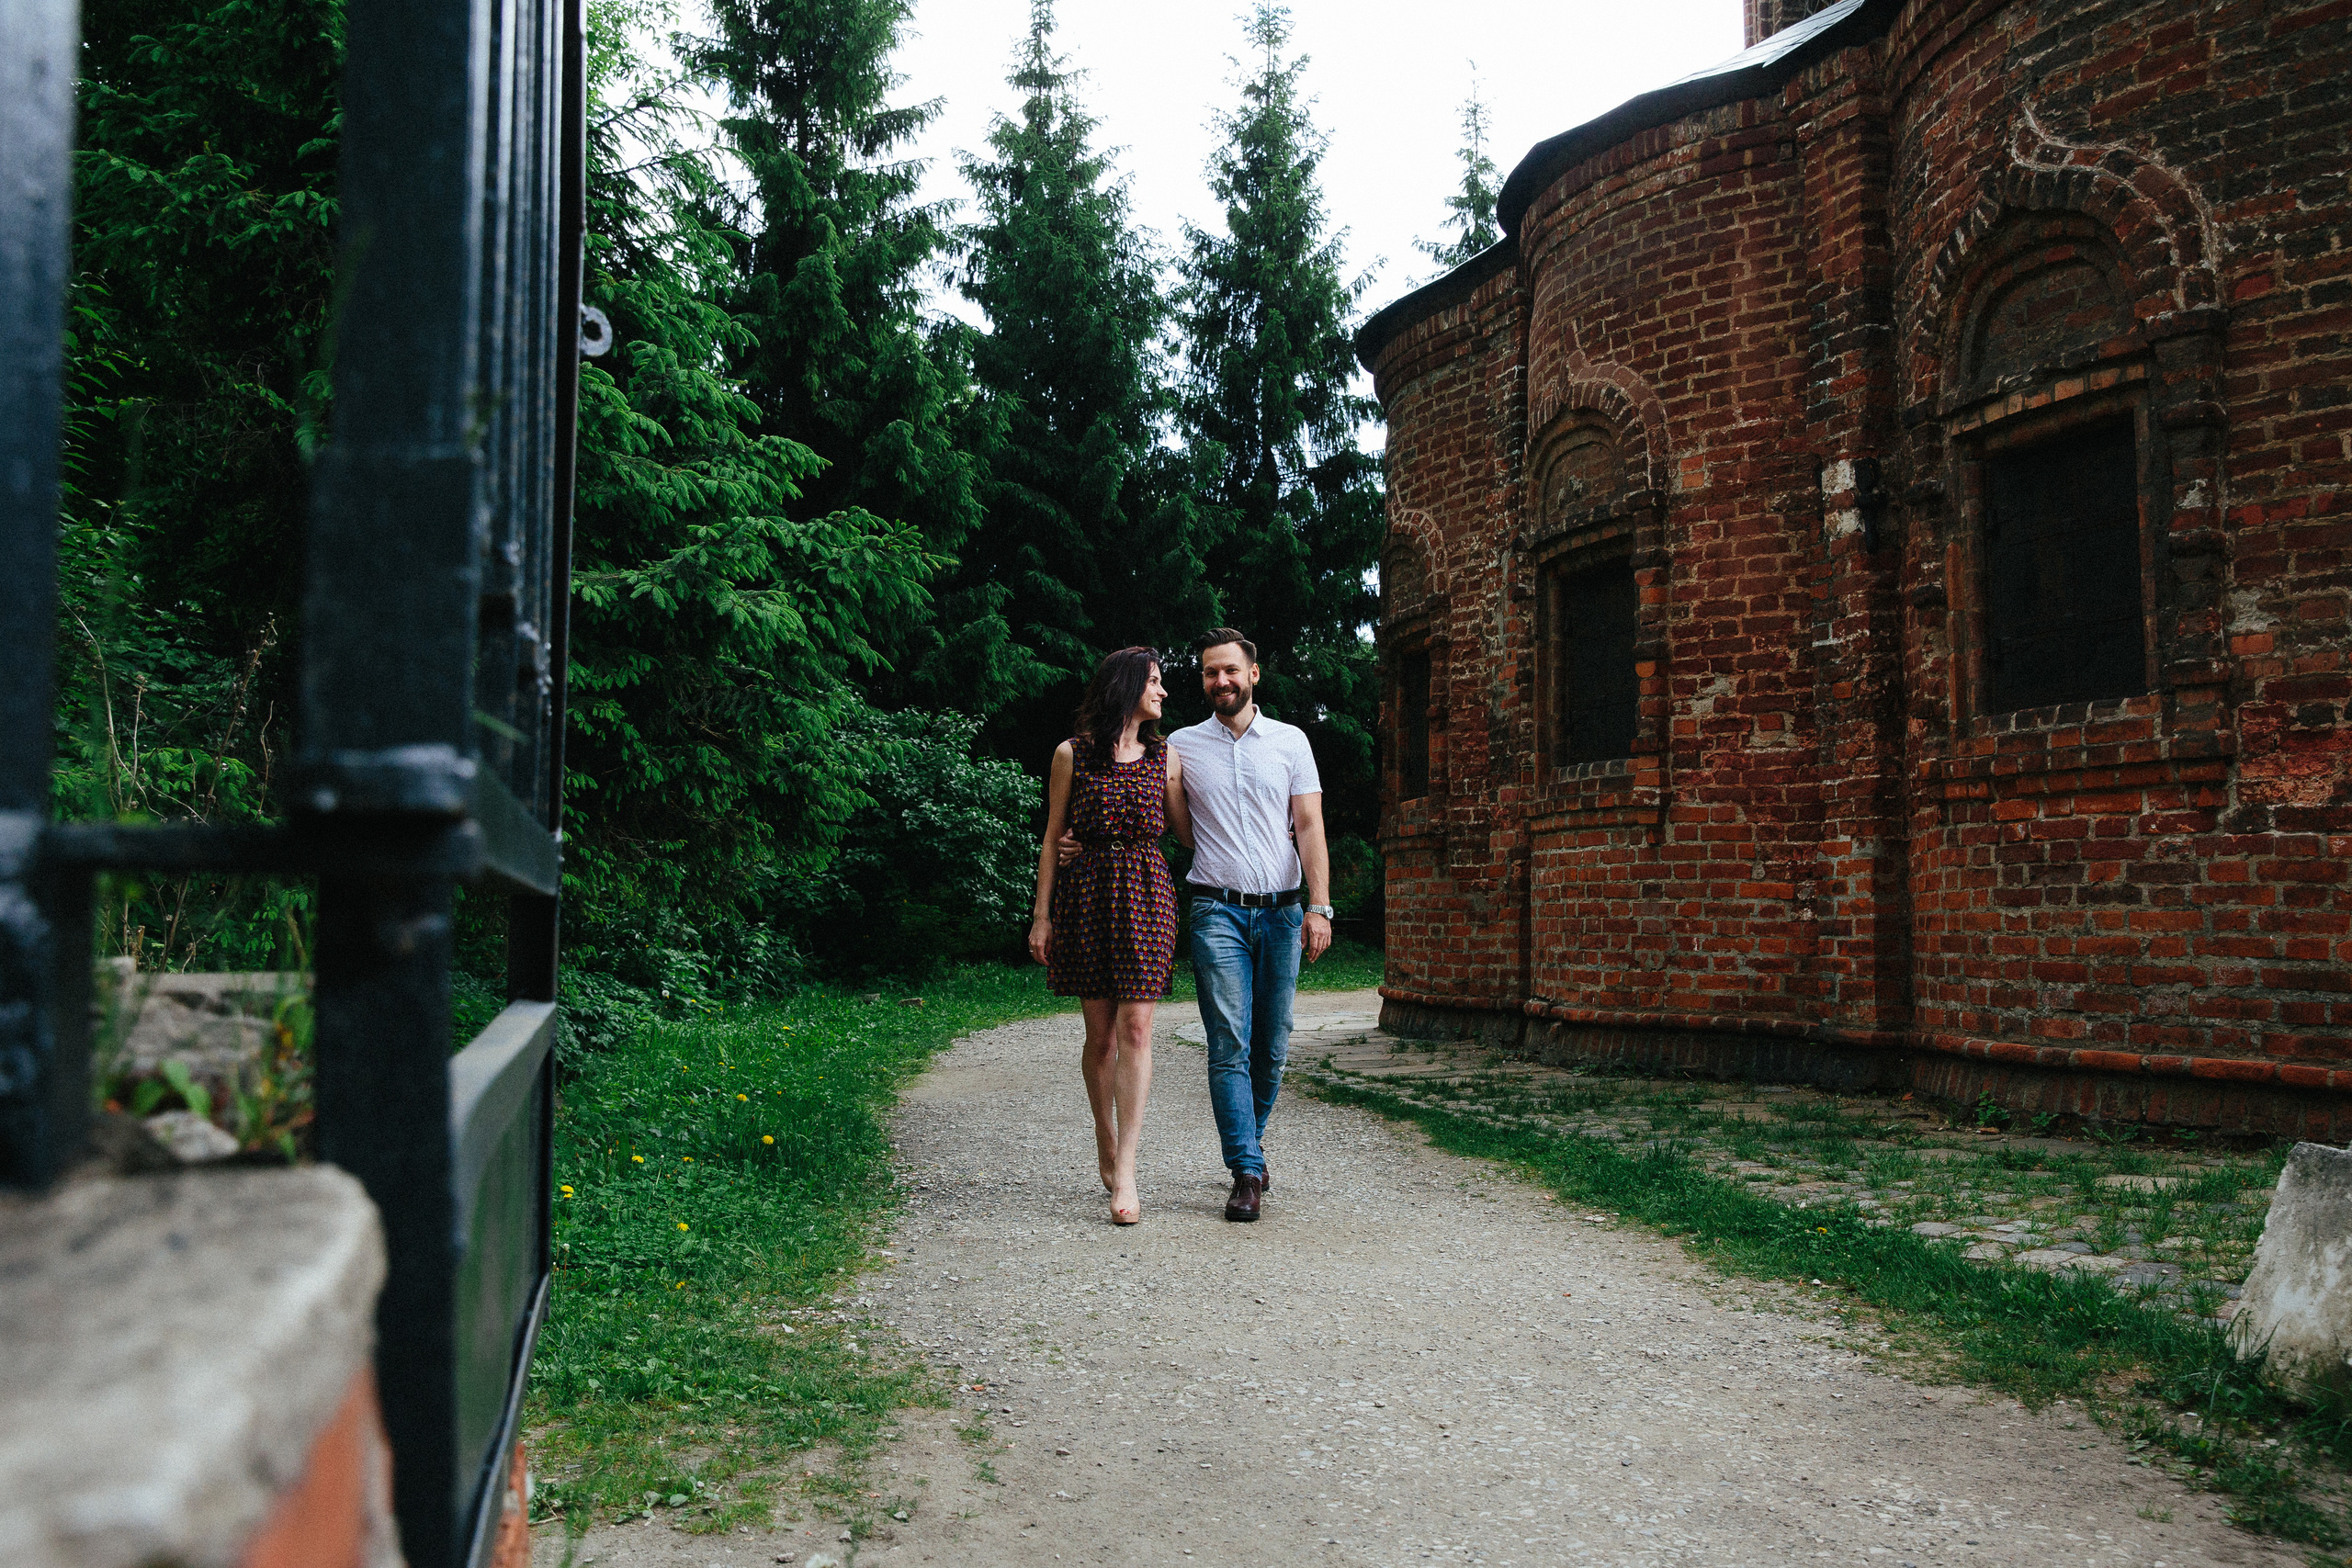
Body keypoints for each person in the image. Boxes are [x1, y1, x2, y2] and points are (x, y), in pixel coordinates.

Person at [1165, 628, 1332, 1222]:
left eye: (1231, 670)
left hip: (1285, 912)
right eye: (1211, 672)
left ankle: (1250, 1150)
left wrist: (1321, 904)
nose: (1222, 681)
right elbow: (1181, 831)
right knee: (1229, 1041)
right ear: (1204, 680)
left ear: (1253, 674)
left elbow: (1308, 825)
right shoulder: (1180, 746)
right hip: (1216, 910)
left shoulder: (1290, 741)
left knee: (1274, 1042)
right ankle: (1245, 1172)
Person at [1028, 648, 1191, 1225]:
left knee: (1138, 1027)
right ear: (1126, 688)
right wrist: (1042, 915)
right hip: (1087, 896)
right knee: (1100, 1038)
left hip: (1148, 895)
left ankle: (1126, 1170)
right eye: (1155, 681)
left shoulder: (1166, 758)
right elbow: (1052, 837)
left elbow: (1186, 833)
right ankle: (1105, 1135)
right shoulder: (1072, 754)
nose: (1164, 692)